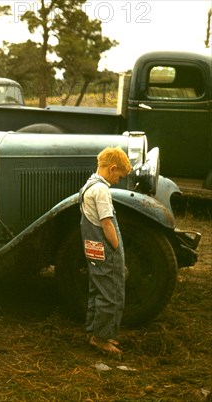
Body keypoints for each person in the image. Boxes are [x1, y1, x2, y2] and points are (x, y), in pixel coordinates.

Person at [79, 146, 131, 355]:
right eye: (120, 175)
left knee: (98, 288)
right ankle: (101, 338)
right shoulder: (101, 190)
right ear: (112, 168)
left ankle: (94, 331)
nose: (119, 180)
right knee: (112, 292)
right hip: (106, 248)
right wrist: (117, 248)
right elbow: (107, 223)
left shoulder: (88, 185)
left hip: (93, 247)